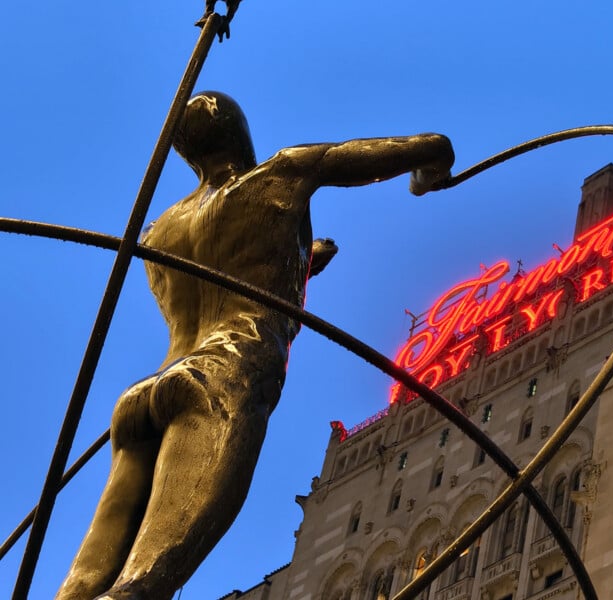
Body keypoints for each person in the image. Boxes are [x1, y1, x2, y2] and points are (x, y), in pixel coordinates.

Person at [56, 91, 454, 599]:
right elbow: (423, 147)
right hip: (225, 374)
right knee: (141, 585)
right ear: (240, 131)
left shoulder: (159, 234)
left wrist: (302, 259)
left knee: (79, 587)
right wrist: (430, 170)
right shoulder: (282, 174)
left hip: (144, 396)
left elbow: (226, 275)